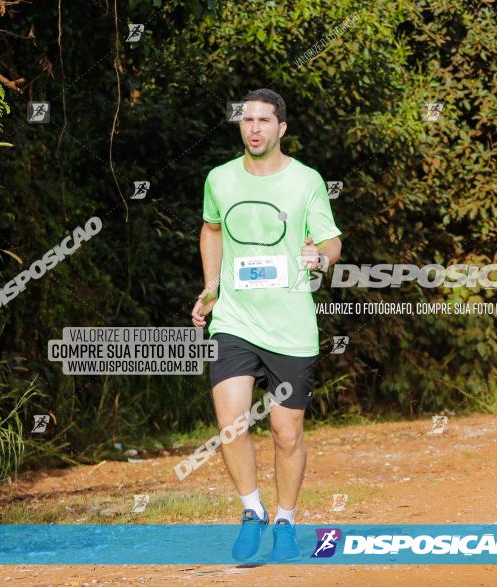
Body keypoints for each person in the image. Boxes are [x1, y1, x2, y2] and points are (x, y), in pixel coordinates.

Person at [191, 88, 342, 561]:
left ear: (282, 129)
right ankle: (251, 511)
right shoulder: (219, 179)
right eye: (246, 120)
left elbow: (332, 242)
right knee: (230, 421)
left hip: (291, 325)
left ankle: (286, 520)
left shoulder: (306, 181)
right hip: (234, 319)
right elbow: (212, 228)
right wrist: (212, 287)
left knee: (286, 433)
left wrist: (318, 257)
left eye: (263, 120)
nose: (253, 128)